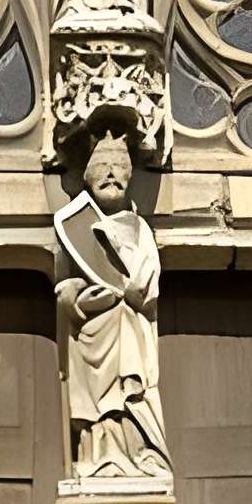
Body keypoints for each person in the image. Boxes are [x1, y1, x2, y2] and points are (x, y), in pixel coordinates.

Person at [56, 128, 168, 477]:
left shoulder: (140, 229)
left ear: (130, 175)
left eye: (119, 165)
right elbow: (63, 286)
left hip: (129, 328)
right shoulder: (74, 224)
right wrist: (76, 295)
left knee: (128, 394)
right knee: (98, 411)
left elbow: (147, 285)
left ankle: (139, 452)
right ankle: (99, 454)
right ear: (87, 175)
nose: (110, 173)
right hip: (91, 335)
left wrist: (126, 282)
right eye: (102, 164)